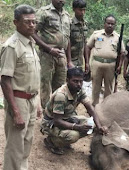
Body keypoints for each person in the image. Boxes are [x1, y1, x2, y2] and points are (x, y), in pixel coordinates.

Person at [0, 5, 41, 170]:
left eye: (33, 22)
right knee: (15, 146)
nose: (32, 25)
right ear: (16, 22)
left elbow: (32, 76)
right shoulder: (11, 46)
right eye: (27, 22)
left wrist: (37, 102)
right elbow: (5, 80)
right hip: (18, 101)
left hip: (31, 100)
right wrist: (15, 111)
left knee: (26, 143)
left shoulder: (30, 43)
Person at [40, 67, 108, 155]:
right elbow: (57, 121)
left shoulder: (79, 90)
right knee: (73, 135)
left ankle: (63, 140)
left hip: (66, 118)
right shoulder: (61, 95)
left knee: (92, 124)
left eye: (81, 81)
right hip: (51, 123)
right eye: (75, 81)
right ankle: (52, 141)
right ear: (67, 80)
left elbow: (90, 109)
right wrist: (77, 127)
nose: (79, 84)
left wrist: (99, 127)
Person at [32, 0, 72, 109]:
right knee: (45, 85)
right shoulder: (44, 12)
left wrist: (69, 60)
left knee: (60, 86)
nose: (61, 0)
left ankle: (57, 112)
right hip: (47, 55)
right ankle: (46, 114)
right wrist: (49, 49)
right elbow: (33, 32)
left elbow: (68, 38)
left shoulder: (67, 15)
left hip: (61, 55)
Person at [86, 15, 125, 106]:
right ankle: (94, 107)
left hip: (111, 65)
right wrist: (87, 63)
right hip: (97, 64)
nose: (110, 25)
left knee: (109, 88)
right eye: (108, 23)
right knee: (96, 87)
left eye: (112, 24)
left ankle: (106, 107)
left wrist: (119, 66)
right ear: (104, 24)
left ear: (115, 25)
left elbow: (122, 53)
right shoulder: (97, 34)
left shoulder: (118, 38)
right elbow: (88, 47)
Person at [70, 0, 89, 73]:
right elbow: (67, 42)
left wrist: (86, 62)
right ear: (74, 9)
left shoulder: (85, 24)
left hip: (80, 61)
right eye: (80, 10)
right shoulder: (69, 23)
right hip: (70, 60)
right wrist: (68, 61)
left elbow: (85, 43)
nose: (82, 12)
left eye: (84, 10)